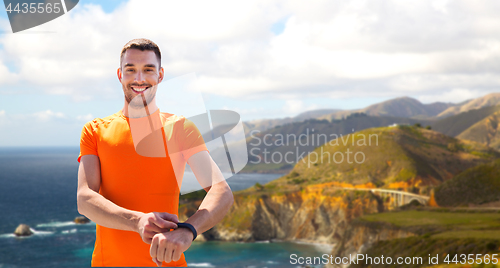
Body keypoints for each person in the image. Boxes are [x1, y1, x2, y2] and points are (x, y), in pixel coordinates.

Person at [76, 38, 234, 267]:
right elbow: (85, 199)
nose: (139, 78)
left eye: (148, 69)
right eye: (131, 70)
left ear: (160, 75)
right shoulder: (94, 131)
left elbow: (222, 191)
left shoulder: (180, 128)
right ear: (120, 75)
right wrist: (137, 221)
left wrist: (188, 230)